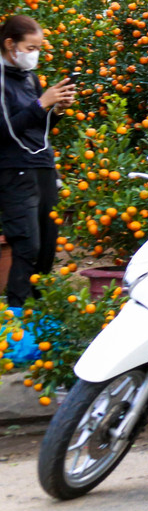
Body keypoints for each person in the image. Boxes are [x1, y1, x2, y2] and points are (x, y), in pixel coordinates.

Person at [0, 16, 76, 309]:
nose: (35, 54)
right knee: (27, 244)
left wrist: (56, 110)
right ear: (10, 44)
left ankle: (38, 315)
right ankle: (16, 320)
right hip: (14, 170)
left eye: (38, 48)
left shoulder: (30, 78)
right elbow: (5, 130)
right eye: (30, 48)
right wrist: (41, 103)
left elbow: (36, 126)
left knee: (46, 246)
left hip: (42, 165)